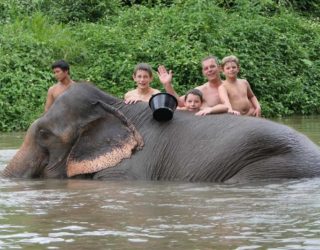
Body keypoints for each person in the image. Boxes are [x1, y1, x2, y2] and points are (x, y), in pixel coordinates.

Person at [157, 55, 230, 115]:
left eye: (212, 66)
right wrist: (167, 84)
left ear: (220, 68)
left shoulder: (232, 86)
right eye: (206, 68)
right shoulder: (201, 90)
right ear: (203, 72)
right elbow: (179, 102)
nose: (209, 70)